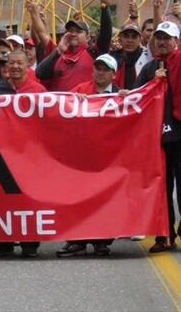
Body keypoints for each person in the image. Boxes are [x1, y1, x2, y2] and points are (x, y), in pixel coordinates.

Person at [134, 3, 181, 254]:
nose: (162, 43)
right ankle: (163, 234)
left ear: (177, 41)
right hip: (157, 136)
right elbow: (136, 97)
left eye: (167, 39)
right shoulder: (149, 68)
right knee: (161, 187)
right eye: (158, 39)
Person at [56, 54, 125, 257]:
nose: (100, 72)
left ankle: (102, 239)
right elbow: (62, 110)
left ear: (113, 74)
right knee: (79, 197)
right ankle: (77, 240)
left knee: (105, 199)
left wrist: (128, 98)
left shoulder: (121, 95)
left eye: (105, 69)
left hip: (108, 156)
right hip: (83, 156)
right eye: (97, 68)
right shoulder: (80, 90)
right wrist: (73, 101)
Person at [0, 50, 47, 259]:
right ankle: (3, 243)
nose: (15, 67)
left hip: (30, 155)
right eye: (11, 64)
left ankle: (30, 244)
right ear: (6, 68)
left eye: (20, 63)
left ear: (28, 64)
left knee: (29, 198)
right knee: (2, 198)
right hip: (2, 154)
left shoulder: (39, 91)